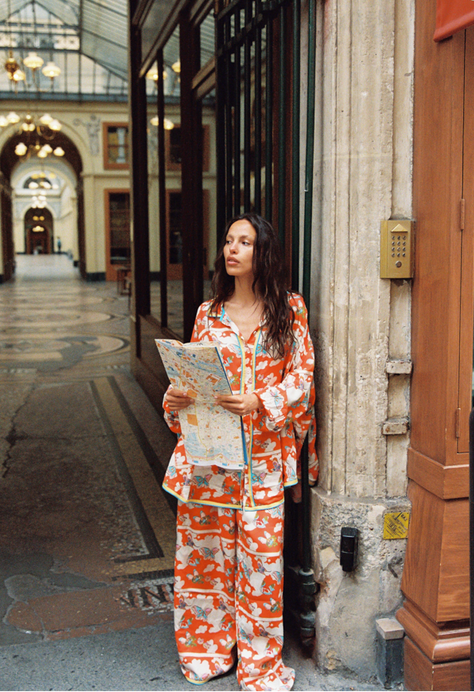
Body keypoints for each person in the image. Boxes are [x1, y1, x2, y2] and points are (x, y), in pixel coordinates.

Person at [162, 213, 318, 691]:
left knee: (262, 564)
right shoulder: (207, 314)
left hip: (265, 462)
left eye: (244, 241)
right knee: (204, 556)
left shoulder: (289, 310)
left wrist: (260, 400)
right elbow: (189, 379)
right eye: (228, 241)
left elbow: (303, 380)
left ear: (263, 252)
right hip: (210, 459)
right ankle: (207, 651)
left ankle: (259, 662)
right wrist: (179, 397)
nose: (232, 249)